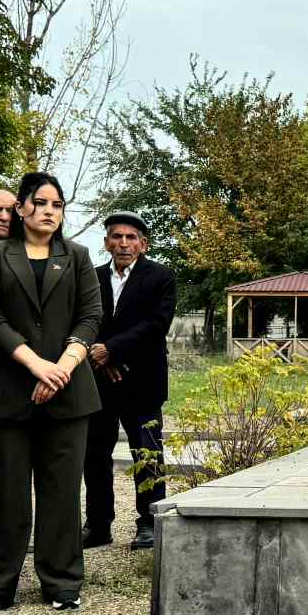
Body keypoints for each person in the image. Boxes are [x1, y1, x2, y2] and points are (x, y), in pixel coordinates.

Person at [0, 171, 102, 613]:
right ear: (21, 208)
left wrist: (62, 367)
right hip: (6, 392)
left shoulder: (78, 256)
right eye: (40, 203)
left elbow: (91, 315)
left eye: (56, 205)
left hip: (69, 391)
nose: (48, 211)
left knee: (61, 494)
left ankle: (62, 582)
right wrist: (35, 364)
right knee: (7, 494)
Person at [81, 210, 176, 552]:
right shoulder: (91, 277)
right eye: (116, 237)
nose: (123, 243)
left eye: (131, 237)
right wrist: (100, 355)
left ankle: (149, 523)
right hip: (99, 379)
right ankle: (98, 524)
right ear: (106, 242)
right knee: (94, 454)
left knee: (147, 453)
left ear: (143, 244)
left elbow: (157, 324)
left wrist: (113, 351)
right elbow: (84, 319)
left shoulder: (161, 277)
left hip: (143, 381)